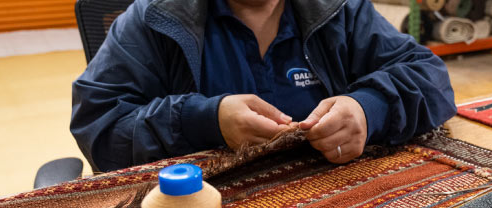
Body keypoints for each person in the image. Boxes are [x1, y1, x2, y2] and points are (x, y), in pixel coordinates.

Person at [71, 0, 456, 173]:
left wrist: (369, 109)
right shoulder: (154, 18)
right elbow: (100, 129)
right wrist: (203, 121)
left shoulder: (340, 10)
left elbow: (431, 79)